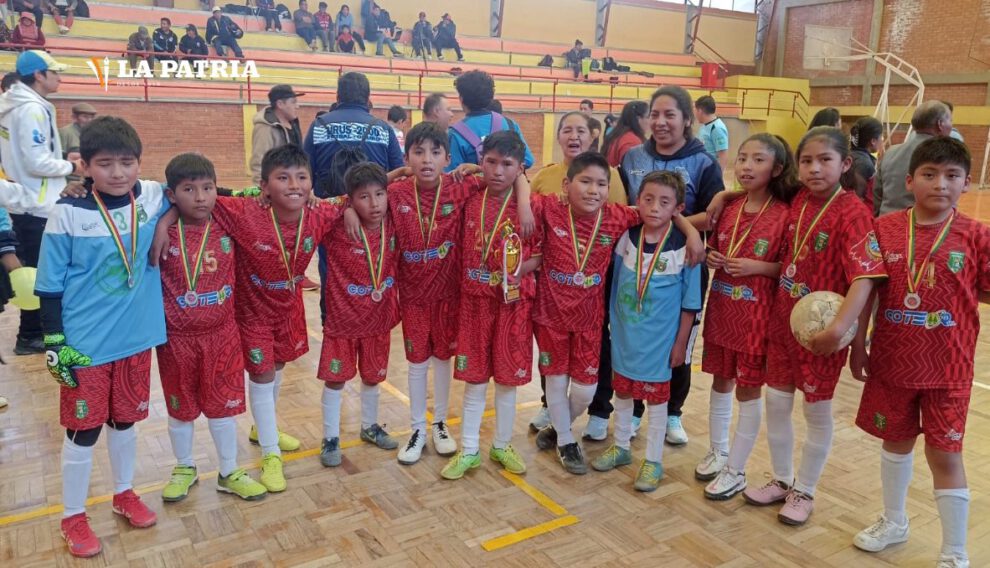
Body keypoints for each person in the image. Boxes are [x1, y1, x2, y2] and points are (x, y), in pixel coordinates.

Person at [158, 144, 345, 494]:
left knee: (276, 369)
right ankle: (271, 455)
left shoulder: (320, 212)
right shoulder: (242, 211)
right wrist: (166, 219)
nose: (293, 185)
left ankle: (262, 430)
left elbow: (360, 196)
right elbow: (189, 196)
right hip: (250, 312)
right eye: (282, 178)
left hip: (288, 308)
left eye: (301, 178)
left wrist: (401, 175)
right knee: (260, 375)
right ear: (264, 186)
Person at [729, 126, 885, 525]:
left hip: (822, 334)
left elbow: (865, 277)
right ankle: (782, 479)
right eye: (807, 161)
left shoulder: (854, 212)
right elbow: (750, 193)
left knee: (816, 413)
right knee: (777, 405)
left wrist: (844, 334)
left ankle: (806, 490)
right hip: (784, 324)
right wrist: (719, 195)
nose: (814, 169)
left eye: (824, 160)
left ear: (845, 163)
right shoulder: (798, 199)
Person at [853, 137, 989, 568]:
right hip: (892, 361)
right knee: (895, 442)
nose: (940, 184)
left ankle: (954, 551)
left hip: (949, 366)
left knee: (946, 453)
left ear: (966, 183)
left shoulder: (977, 236)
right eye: (929, 175)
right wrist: (857, 343)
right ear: (910, 181)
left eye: (951, 176)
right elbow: (867, 292)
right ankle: (894, 521)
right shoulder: (883, 229)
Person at [38, 116, 170, 558]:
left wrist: (167, 222)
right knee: (84, 430)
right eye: (106, 163)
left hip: (135, 340)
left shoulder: (152, 195)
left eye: (127, 162)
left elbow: (198, 190)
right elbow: (49, 285)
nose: (118, 173)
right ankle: (73, 515)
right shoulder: (67, 211)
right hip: (85, 345)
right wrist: (54, 340)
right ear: (84, 166)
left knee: (126, 421)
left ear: (139, 163)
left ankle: (124, 492)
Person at [532, 152, 702, 474]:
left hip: (589, 321)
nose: (593, 190)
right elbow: (514, 193)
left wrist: (691, 231)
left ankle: (560, 425)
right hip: (550, 315)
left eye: (601, 184)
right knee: (555, 381)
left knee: (584, 390)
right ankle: (567, 441)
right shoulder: (550, 208)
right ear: (567, 185)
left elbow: (660, 211)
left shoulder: (616, 217)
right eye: (585, 182)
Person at [390, 123, 532, 466]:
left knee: (442, 359)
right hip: (412, 295)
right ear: (407, 157)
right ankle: (416, 429)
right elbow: (362, 189)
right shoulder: (395, 192)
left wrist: (525, 202)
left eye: (435, 153)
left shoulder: (462, 185)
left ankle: (439, 424)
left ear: (448, 158)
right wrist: (395, 173)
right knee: (415, 363)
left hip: (450, 294)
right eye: (418, 153)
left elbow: (513, 174)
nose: (427, 160)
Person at [156, 153, 268, 504]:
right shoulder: (159, 226)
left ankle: (229, 470)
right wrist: (164, 220)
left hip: (222, 335)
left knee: (223, 408)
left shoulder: (226, 220)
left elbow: (265, 199)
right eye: (189, 189)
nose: (201, 197)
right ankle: (184, 466)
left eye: (207, 188)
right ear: (172, 195)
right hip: (175, 340)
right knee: (180, 408)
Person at [620, 85, 724, 446]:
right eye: (655, 114)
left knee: (678, 344)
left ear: (686, 119)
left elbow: (711, 218)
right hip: (636, 265)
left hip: (684, 268)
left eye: (670, 115)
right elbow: (625, 210)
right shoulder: (632, 158)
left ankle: (672, 413)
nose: (661, 122)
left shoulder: (703, 162)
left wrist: (684, 230)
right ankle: (633, 411)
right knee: (635, 338)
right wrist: (679, 223)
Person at [589, 171, 702, 491]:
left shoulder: (685, 249)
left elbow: (691, 304)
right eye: (648, 199)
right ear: (637, 201)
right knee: (622, 391)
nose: (654, 207)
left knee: (655, 402)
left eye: (664, 202)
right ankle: (622, 447)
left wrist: (681, 344)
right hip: (625, 337)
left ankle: (653, 460)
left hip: (661, 343)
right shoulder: (626, 237)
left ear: (677, 208)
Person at [699, 134, 796, 498]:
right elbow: (716, 245)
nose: (746, 166)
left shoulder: (785, 214)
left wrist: (760, 266)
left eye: (757, 160)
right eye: (741, 158)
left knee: (748, 390)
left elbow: (789, 267)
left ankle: (736, 469)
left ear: (777, 168)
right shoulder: (729, 205)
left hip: (756, 316)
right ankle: (718, 450)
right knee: (720, 382)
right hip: (722, 308)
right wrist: (711, 255)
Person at [440, 131, 539, 480]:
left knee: (509, 380)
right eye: (491, 161)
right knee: (475, 379)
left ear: (520, 168)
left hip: (513, 306)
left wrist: (519, 269)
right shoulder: (470, 194)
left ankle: (501, 444)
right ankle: (468, 449)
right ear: (481, 161)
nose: (497, 170)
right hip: (473, 303)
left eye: (507, 164)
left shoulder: (532, 206)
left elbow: (543, 253)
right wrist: (467, 169)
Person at [317, 161, 404, 468]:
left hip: (379, 320)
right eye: (364, 197)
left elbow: (403, 181)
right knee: (335, 380)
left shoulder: (393, 218)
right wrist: (344, 206)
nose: (375, 203)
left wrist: (397, 175)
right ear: (351, 198)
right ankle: (330, 437)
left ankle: (369, 426)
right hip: (342, 322)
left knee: (372, 377)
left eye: (380, 194)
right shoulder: (338, 224)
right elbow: (312, 201)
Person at [303, 72, 403, 321]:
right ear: (368, 98)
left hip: (331, 218)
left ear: (338, 96)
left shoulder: (319, 126)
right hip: (375, 219)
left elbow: (305, 173)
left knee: (332, 269)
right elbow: (397, 175)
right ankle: (373, 317)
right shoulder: (383, 129)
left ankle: (332, 319)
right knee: (373, 266)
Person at [0, 51, 80, 356]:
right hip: (36, 204)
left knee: (37, 270)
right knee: (40, 273)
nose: (60, 77)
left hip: (26, 200)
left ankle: (36, 331)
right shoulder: (31, 109)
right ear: (38, 75)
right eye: (55, 72)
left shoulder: (15, 106)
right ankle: (31, 334)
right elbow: (36, 162)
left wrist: (60, 162)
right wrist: (72, 167)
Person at [874, 101, 952, 216]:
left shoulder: (890, 152)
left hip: (885, 223)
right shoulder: (946, 155)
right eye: (950, 120)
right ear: (940, 124)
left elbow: (877, 195)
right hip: (921, 228)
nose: (951, 125)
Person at [447, 70, 534, 171]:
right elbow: (527, 160)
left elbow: (453, 174)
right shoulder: (509, 124)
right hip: (507, 186)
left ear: (461, 99)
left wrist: (480, 170)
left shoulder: (455, 134)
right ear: (491, 96)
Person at [250, 84, 304, 186]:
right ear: (280, 104)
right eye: (293, 102)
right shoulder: (265, 128)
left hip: (293, 186)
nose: (297, 106)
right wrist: (261, 189)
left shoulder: (293, 125)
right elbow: (258, 161)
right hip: (276, 189)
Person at [842, 116, 882, 209]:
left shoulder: (849, 154)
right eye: (881, 137)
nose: (882, 141)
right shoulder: (865, 164)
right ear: (873, 141)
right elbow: (858, 196)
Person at [601, 100, 649, 168]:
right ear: (638, 119)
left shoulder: (617, 135)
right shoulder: (632, 141)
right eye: (648, 117)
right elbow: (635, 173)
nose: (651, 120)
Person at [695, 95, 729, 171]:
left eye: (696, 110)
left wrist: (717, 177)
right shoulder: (705, 125)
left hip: (710, 172)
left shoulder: (717, 128)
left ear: (700, 111)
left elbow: (723, 156)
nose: (695, 114)